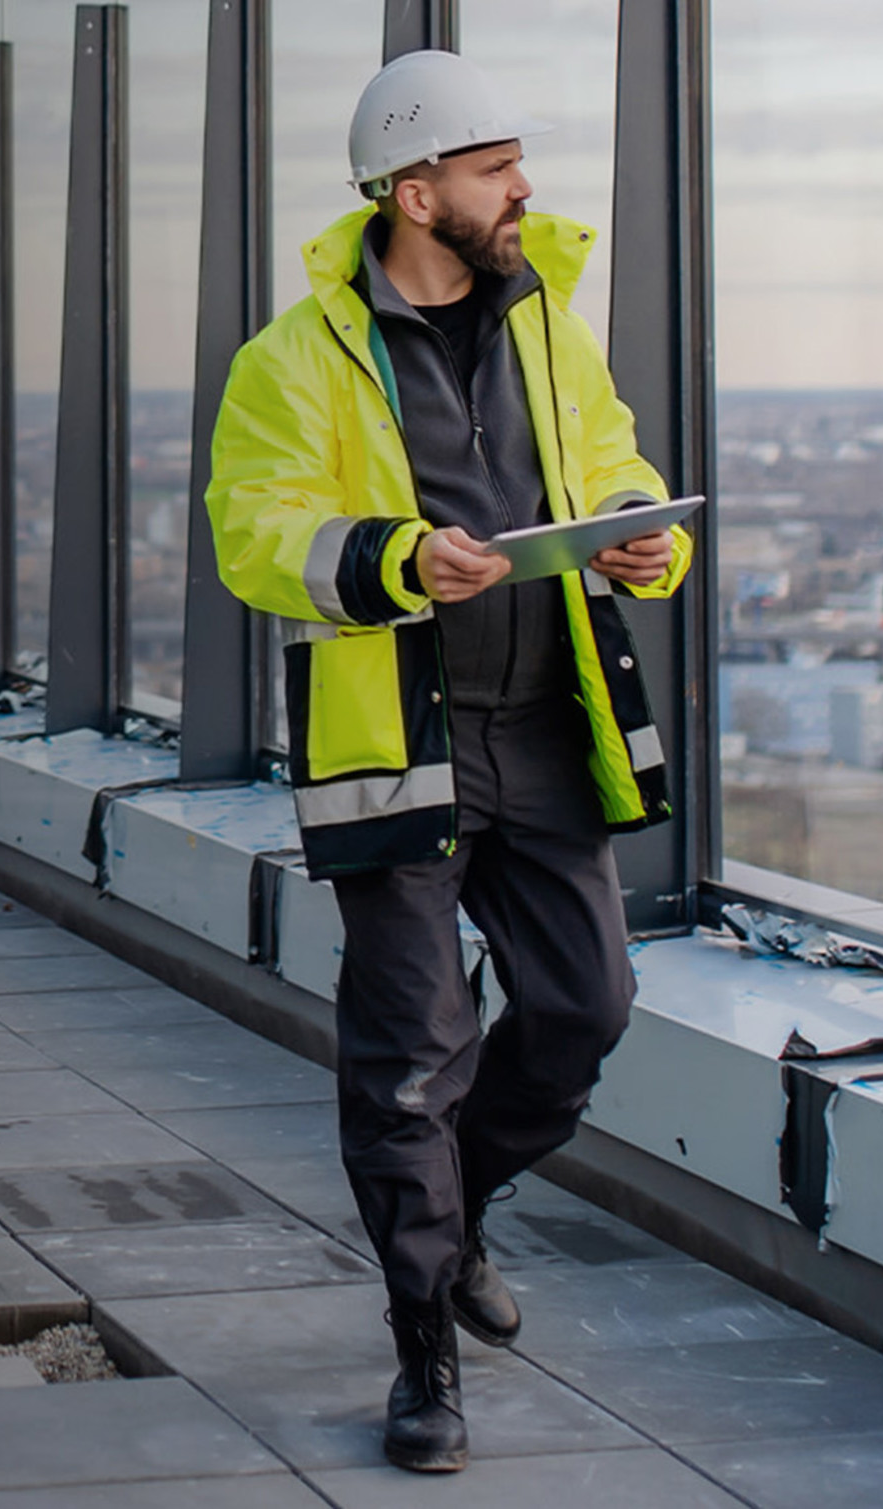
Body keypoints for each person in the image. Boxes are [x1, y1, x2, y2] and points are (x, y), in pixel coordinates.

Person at [205, 48, 692, 1474]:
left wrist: (639, 527)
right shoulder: (291, 358)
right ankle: (424, 1350)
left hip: (546, 725)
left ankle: (456, 1216)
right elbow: (256, 533)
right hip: (397, 750)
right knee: (408, 1063)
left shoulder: (549, 322)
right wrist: (401, 557)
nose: (522, 189)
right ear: (417, 191)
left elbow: (607, 458)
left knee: (584, 1009)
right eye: (494, 169)